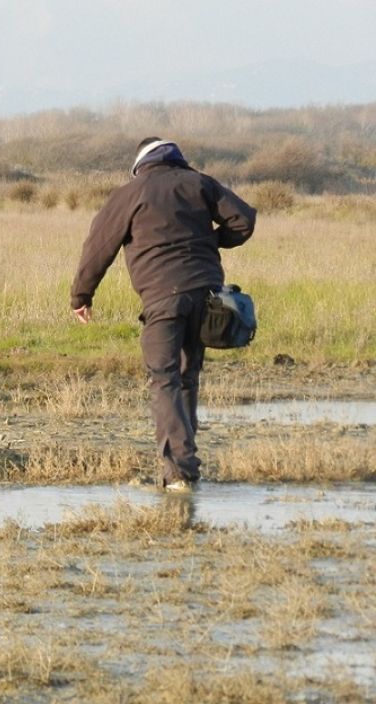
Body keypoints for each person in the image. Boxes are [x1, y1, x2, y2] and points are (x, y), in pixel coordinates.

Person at [70, 137, 256, 491]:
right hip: (206, 296)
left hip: (162, 298)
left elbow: (98, 247)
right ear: (175, 158)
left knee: (164, 377)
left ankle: (180, 473)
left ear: (140, 164)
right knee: (186, 377)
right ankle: (186, 466)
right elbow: (244, 221)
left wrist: (82, 295)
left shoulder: (130, 193)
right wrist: (210, 241)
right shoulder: (199, 182)